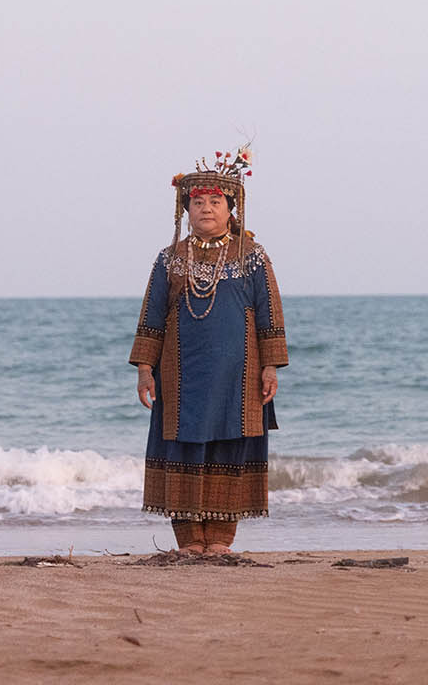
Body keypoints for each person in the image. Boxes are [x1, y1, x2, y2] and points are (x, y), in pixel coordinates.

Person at [129, 146, 287, 555]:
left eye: (215, 201)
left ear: (230, 208)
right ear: (186, 209)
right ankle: (189, 541)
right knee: (182, 447)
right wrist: (145, 368)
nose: (206, 209)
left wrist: (270, 366)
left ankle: (220, 539)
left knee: (229, 447)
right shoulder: (169, 259)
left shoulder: (252, 257)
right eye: (197, 202)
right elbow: (152, 316)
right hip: (179, 377)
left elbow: (270, 312)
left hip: (239, 376)